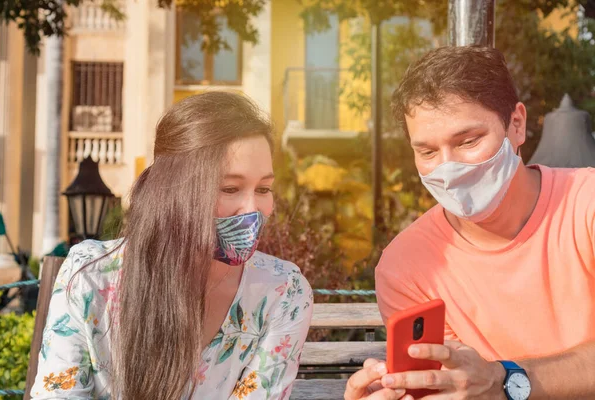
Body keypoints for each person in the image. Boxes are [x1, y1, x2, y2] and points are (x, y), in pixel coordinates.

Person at [345, 46, 595, 400]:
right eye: (428, 152)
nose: (449, 169)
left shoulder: (586, 206)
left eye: (468, 141)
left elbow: (486, 384)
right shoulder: (407, 266)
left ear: (517, 125)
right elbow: (454, 386)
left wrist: (505, 380)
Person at [30, 91, 313, 400]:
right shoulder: (91, 276)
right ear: (174, 190)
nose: (252, 208)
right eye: (230, 188)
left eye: (263, 189)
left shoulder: (284, 291)